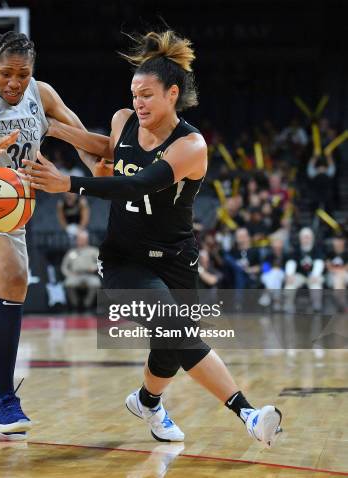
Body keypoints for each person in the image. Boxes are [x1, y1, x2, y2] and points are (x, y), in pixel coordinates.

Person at [20, 30, 282, 447]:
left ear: (172, 94)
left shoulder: (191, 145)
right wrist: (58, 129)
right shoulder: (124, 120)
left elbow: (138, 183)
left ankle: (147, 402)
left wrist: (67, 183)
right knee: (178, 333)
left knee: (169, 347)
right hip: (125, 260)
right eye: (134, 94)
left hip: (177, 259)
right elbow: (109, 150)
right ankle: (248, 414)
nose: (138, 102)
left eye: (146, 95)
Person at [0, 31, 97, 440]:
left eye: (22, 74)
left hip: (12, 212)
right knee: (13, 278)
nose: (13, 82)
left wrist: (98, 163)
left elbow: (81, 138)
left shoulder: (41, 95)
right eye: (6, 73)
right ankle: (5, 402)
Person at [61, 229, 101, 311]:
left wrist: (94, 267)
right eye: (79, 239)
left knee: (96, 283)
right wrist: (69, 274)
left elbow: (101, 263)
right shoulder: (71, 252)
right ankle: (75, 305)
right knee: (68, 283)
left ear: (87, 240)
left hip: (89, 274)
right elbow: (64, 267)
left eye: (83, 239)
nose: (81, 241)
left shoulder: (93, 251)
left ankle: (87, 305)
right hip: (75, 275)